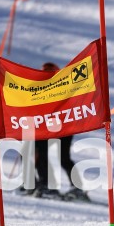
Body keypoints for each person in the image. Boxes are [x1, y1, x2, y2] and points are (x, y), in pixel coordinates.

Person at [32, 62, 90, 201]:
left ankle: (76, 187)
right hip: (47, 129)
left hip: (64, 130)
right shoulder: (39, 89)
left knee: (63, 158)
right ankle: (44, 184)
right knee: (39, 153)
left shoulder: (63, 88)